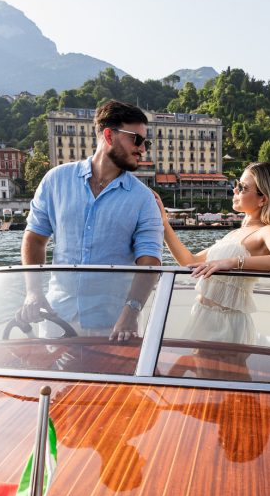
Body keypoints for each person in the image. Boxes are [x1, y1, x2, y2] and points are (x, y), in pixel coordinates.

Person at [19, 100, 162, 340]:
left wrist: (131, 312)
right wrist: (33, 293)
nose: (143, 149)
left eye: (146, 142)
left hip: (114, 325)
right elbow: (35, 239)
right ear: (109, 135)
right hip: (57, 316)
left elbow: (149, 260)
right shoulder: (55, 180)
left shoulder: (144, 199)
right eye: (136, 140)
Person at [160, 162, 270, 347]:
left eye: (242, 187)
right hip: (203, 315)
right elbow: (189, 261)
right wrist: (163, 223)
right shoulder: (234, 234)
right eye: (237, 184)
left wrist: (233, 262)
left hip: (227, 324)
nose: (234, 189)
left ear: (263, 199)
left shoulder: (269, 231)